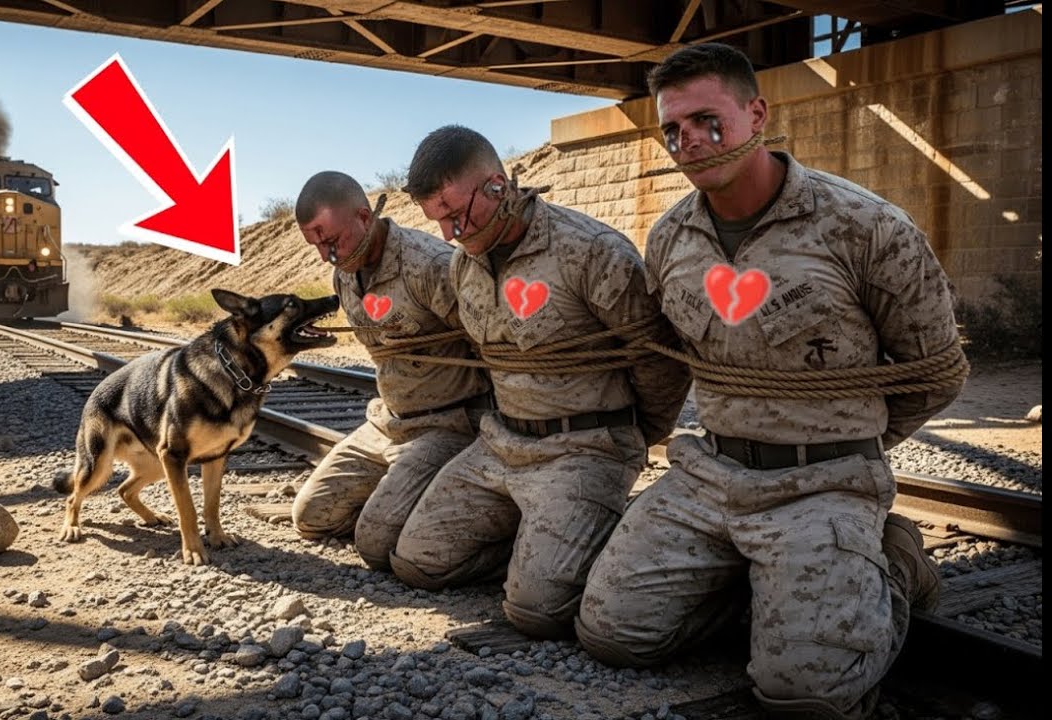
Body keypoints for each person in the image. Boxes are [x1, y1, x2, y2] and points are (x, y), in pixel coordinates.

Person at [575, 43, 967, 719]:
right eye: (673, 130)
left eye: (706, 120)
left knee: (805, 696)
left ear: (757, 114)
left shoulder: (863, 227)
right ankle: (774, 585)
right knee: (613, 633)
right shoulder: (671, 239)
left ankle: (892, 561)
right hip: (711, 477)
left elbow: (935, 372)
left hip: (824, 484)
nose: (688, 140)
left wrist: (848, 440)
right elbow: (670, 356)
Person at [391, 125, 693, 639]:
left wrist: (637, 438)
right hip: (500, 446)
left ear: (497, 185)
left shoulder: (592, 251)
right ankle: (550, 545)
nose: (449, 234)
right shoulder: (465, 265)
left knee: (539, 612)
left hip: (582, 448)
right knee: (416, 563)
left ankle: (579, 544)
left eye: (457, 214)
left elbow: (660, 361)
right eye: (437, 221)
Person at [291, 170, 493, 571]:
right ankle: (403, 505)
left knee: (376, 544)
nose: (325, 256)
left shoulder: (432, 265)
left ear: (364, 217)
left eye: (330, 241)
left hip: (446, 425)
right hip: (389, 421)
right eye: (316, 246)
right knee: (311, 518)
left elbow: (490, 345)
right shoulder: (345, 272)